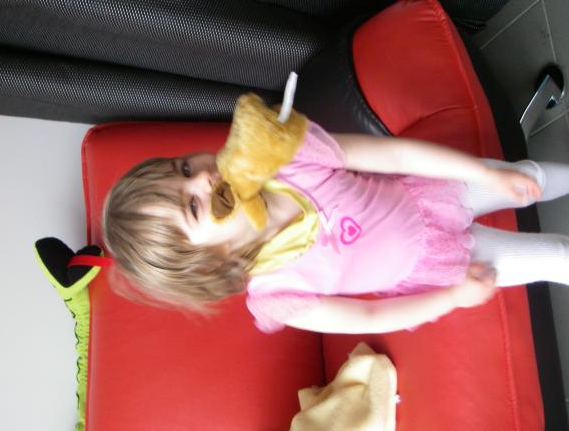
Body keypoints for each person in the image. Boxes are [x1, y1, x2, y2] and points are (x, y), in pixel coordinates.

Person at [101, 113, 569, 334]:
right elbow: (371, 317)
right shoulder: (278, 295)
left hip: (436, 192)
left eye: (184, 168)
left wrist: (486, 175)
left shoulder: (287, 162)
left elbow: (394, 155)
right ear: (207, 260)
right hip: (440, 265)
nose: (203, 178)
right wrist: (453, 298)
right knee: (556, 257)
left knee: (529, 178)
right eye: (192, 206)